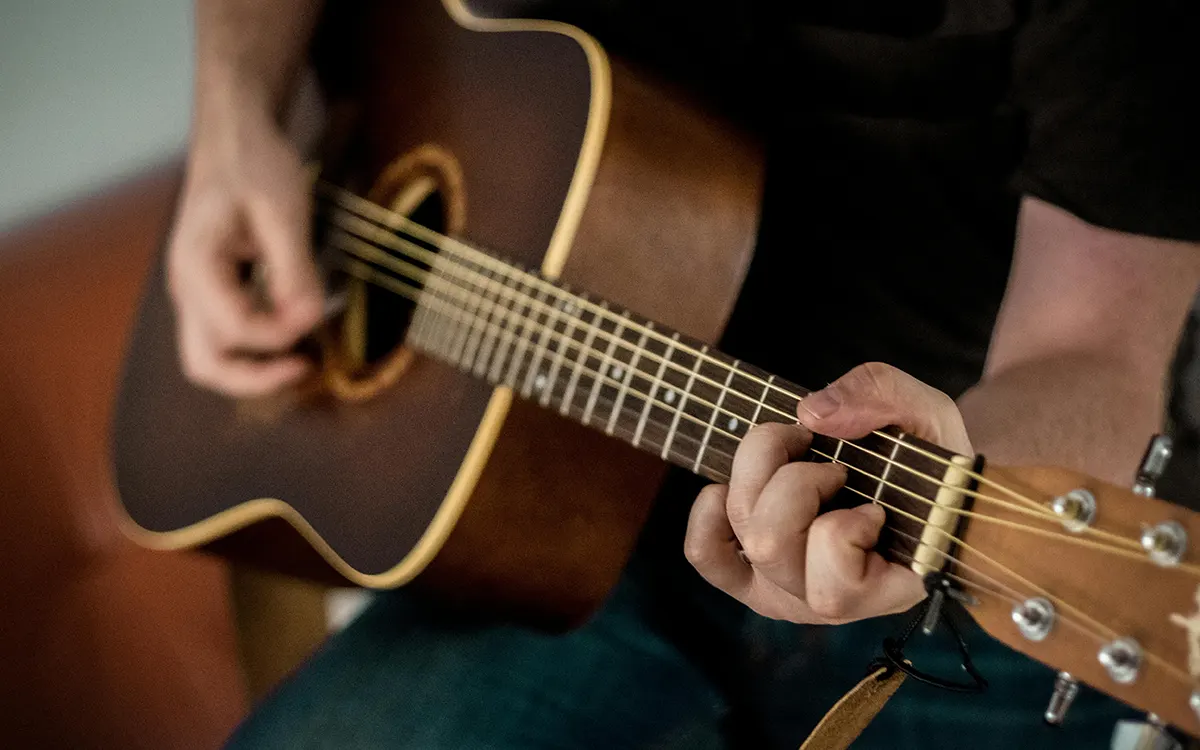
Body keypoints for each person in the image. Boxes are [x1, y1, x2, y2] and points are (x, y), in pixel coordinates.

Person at [167, 0, 1200, 747]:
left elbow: (1101, 346)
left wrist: (957, 479)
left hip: (946, 571)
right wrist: (234, 113)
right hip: (550, 530)